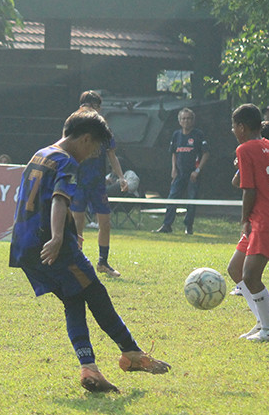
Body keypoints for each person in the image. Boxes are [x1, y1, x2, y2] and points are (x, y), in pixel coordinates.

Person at [10, 109, 170, 393]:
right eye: (95, 147)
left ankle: (90, 368)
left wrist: (71, 230)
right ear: (85, 139)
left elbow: (41, 199)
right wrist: (59, 237)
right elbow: (59, 199)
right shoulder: (67, 161)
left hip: (25, 245)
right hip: (51, 245)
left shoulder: (41, 154)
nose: (95, 153)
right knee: (96, 293)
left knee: (74, 299)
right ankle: (131, 352)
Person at [226, 105, 269, 342]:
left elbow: (248, 190)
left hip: (265, 218)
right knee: (235, 269)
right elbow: (239, 181)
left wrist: (244, 220)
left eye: (234, 126)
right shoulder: (267, 144)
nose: (233, 130)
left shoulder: (245, 148)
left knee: (250, 276)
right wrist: (239, 166)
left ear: (241, 127)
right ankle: (265, 323)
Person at [70, 91, 127, 277]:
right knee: (78, 224)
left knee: (105, 222)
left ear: (97, 108)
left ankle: (103, 262)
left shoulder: (103, 128)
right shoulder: (74, 125)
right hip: (79, 182)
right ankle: (76, 261)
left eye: (92, 106)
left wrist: (121, 177)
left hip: (97, 183)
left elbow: (111, 154)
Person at [155, 108, 209, 235]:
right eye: (184, 118)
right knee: (172, 198)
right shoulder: (176, 135)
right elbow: (174, 152)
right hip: (179, 173)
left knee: (191, 199)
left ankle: (188, 227)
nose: (186, 121)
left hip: (192, 174)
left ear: (193, 120)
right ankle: (167, 225)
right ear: (179, 121)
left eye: (189, 118)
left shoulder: (198, 134)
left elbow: (206, 154)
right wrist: (173, 169)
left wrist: (197, 170)